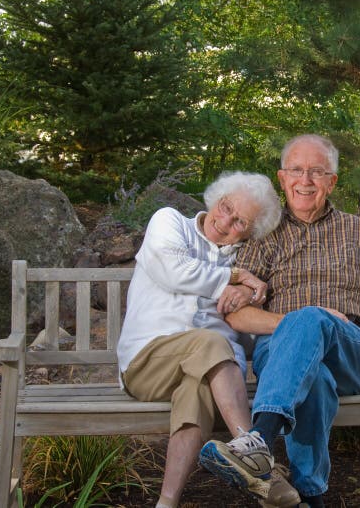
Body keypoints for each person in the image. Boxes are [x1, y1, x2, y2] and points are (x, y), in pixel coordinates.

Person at [199, 135, 360, 507]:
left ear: (332, 181)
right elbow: (238, 313)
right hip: (281, 354)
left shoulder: (356, 231)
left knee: (313, 325)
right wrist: (300, 323)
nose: (304, 180)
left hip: (351, 354)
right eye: (296, 170)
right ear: (282, 177)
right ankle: (310, 497)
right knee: (314, 376)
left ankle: (259, 439)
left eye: (316, 172)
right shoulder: (264, 234)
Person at [116, 171, 300, 508]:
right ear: (216, 198)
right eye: (226, 207)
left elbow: (245, 334)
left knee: (196, 390)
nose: (225, 221)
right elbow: (173, 268)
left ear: (250, 232)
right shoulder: (171, 223)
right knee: (213, 342)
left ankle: (166, 503)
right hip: (147, 363)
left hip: (204, 371)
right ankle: (257, 457)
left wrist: (248, 291)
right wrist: (233, 278)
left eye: (240, 222)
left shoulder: (243, 261)